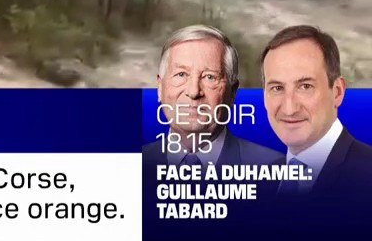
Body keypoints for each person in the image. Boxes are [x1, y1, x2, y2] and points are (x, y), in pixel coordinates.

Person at [143, 24, 282, 171]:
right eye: (181, 74)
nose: (194, 92)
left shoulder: (274, 169)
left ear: (232, 92)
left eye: (210, 77)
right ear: (160, 88)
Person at [261, 25, 372, 198]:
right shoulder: (261, 182)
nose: (289, 109)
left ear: (337, 92)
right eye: (277, 88)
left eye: (305, 86)